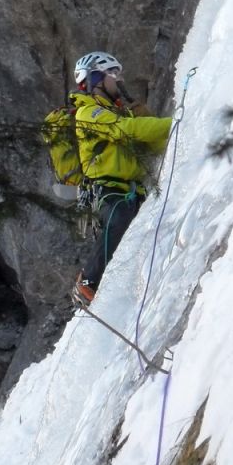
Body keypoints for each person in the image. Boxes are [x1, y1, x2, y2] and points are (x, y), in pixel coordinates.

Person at [71, 51, 172, 307]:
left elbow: (155, 143)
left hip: (132, 189)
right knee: (119, 215)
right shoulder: (89, 114)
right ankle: (87, 282)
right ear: (96, 79)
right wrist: (174, 122)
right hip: (108, 192)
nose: (118, 80)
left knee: (129, 219)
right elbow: (125, 131)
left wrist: (160, 125)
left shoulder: (122, 113)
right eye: (112, 75)